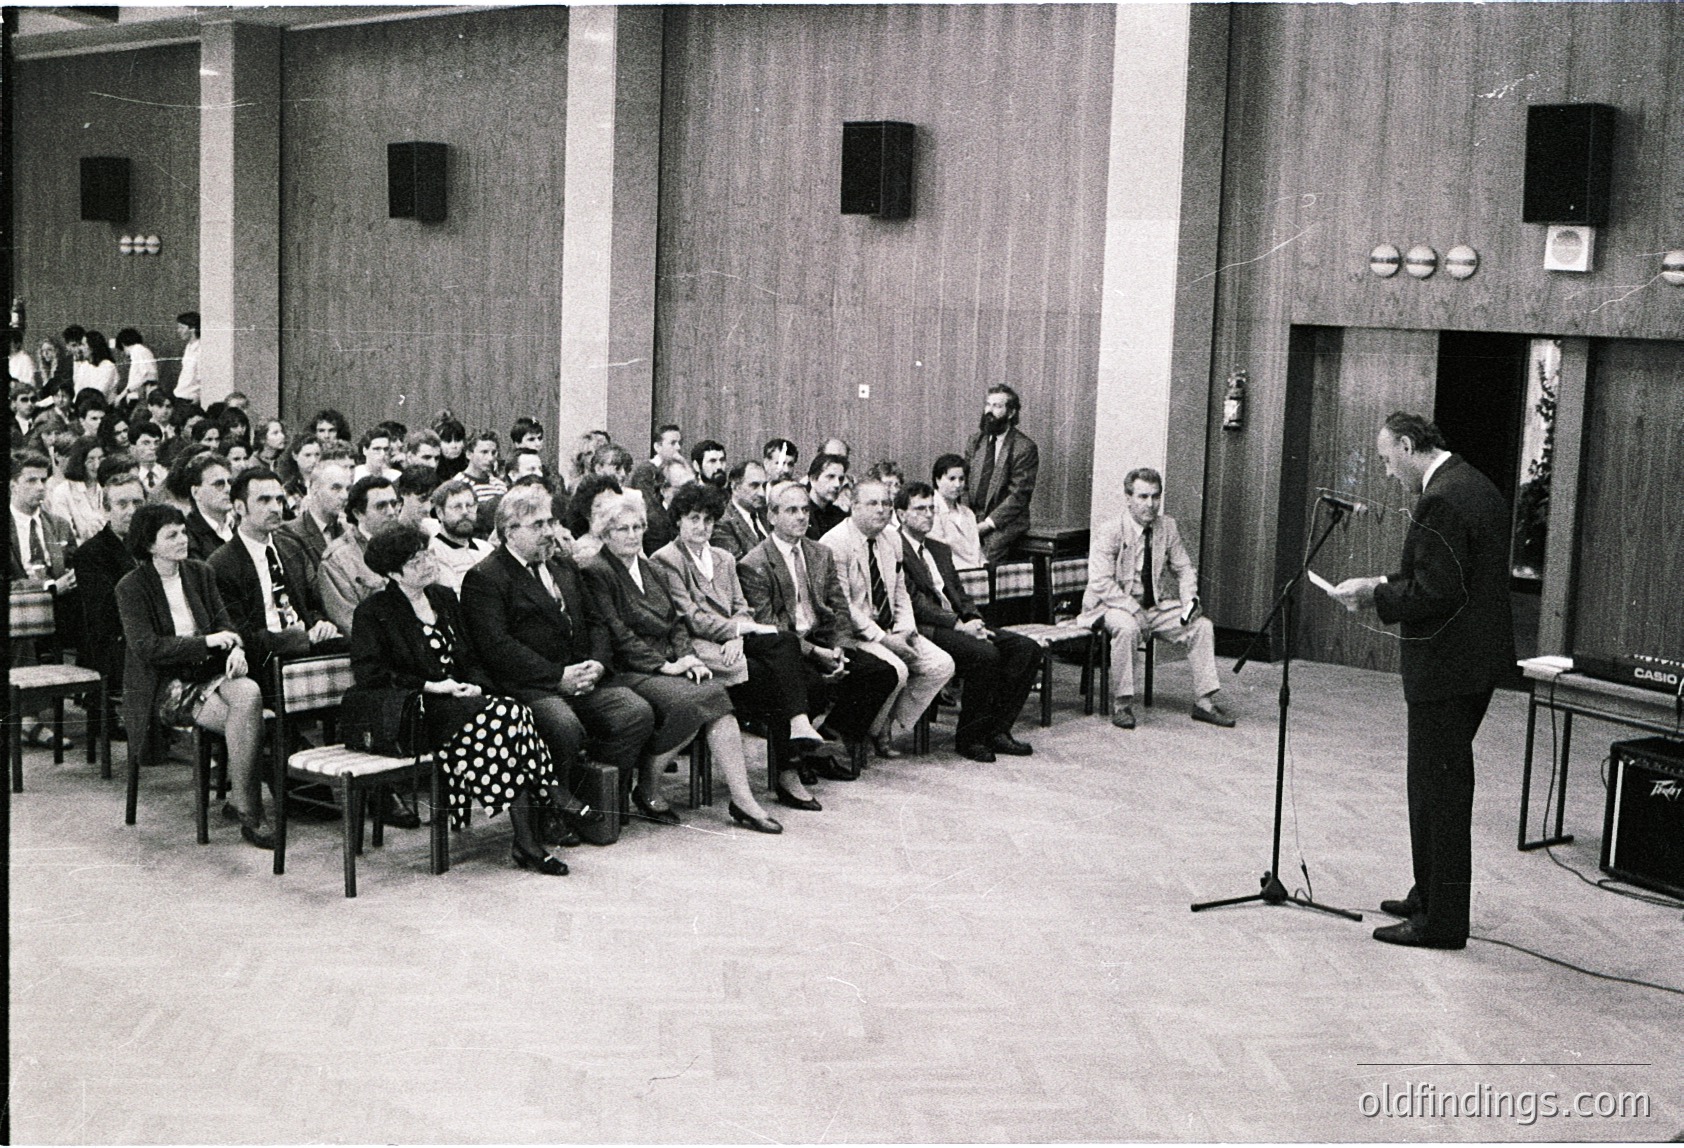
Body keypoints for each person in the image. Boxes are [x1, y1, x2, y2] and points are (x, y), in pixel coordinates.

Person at [1329, 412, 1516, 951]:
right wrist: (1383, 580)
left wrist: (1373, 595)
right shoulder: (1470, 483)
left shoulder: (1442, 498)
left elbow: (1436, 593)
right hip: (1469, 664)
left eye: (1388, 461)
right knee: (1431, 785)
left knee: (1442, 792)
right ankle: (1427, 893)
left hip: (1448, 667)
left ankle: (1442, 922)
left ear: (1409, 446)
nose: (1388, 474)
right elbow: (1446, 575)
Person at [351, 524, 575, 875]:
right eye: (415, 561)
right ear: (393, 573)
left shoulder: (442, 597)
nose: (427, 562)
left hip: (462, 706)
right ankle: (546, 795)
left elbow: (469, 656)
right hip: (417, 711)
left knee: (507, 712)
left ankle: (528, 839)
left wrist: (475, 686)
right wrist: (431, 686)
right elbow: (371, 675)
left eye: (427, 553)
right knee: (505, 715)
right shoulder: (374, 611)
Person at [582, 491, 784, 833]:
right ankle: (649, 783)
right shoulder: (596, 570)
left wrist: (688, 656)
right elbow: (617, 633)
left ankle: (742, 799)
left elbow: (675, 622)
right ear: (604, 534)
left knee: (713, 696)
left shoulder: (649, 568)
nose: (632, 535)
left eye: (637, 527)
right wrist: (665, 666)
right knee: (703, 698)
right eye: (622, 529)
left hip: (667, 662)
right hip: (627, 669)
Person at [459, 484, 654, 831]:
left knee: (635, 712)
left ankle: (593, 797)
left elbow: (595, 622)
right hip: (530, 686)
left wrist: (597, 663)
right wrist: (557, 676)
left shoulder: (562, 566)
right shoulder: (485, 577)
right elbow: (497, 647)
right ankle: (549, 812)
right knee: (562, 725)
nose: (549, 531)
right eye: (537, 525)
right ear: (509, 532)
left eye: (550, 522)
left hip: (582, 677)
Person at [653, 484, 829, 806]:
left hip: (735, 645)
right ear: (678, 520)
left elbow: (741, 605)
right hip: (700, 649)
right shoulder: (666, 559)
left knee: (794, 661)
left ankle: (793, 741)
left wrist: (738, 632)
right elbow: (689, 616)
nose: (701, 526)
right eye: (693, 518)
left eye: (708, 520)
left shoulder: (723, 557)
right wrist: (734, 630)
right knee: (785, 673)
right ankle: (788, 766)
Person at [116, 503, 271, 847]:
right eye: (171, 535)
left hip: (208, 671)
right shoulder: (131, 587)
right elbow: (147, 648)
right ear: (149, 545)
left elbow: (225, 624)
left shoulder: (200, 572)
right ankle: (250, 809)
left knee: (248, 694)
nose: (182, 539)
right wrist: (206, 643)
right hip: (164, 684)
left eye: (183, 531)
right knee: (243, 714)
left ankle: (242, 802)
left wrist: (236, 650)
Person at [738, 482, 900, 794]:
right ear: (771, 516)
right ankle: (797, 758)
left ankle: (825, 740)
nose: (801, 517)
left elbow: (839, 609)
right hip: (784, 649)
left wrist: (839, 648)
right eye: (792, 510)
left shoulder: (820, 553)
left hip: (823, 640)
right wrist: (816, 653)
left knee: (881, 673)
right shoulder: (754, 564)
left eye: (805, 510)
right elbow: (771, 627)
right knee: (810, 682)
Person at [1077, 466, 1234, 730]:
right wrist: (1133, 609)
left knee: (1201, 626)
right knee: (1127, 629)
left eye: (1155, 496)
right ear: (1128, 499)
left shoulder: (1167, 526)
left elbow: (1184, 568)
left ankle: (1204, 702)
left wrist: (1190, 601)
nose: (1150, 504)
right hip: (1111, 604)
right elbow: (1100, 582)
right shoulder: (1111, 530)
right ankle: (1122, 704)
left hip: (1153, 607)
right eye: (1142, 497)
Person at [897, 482, 1040, 761]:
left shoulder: (939, 548)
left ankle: (997, 730)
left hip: (960, 623)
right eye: (919, 509)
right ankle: (970, 738)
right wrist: (959, 625)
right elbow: (916, 603)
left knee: (1026, 648)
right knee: (985, 655)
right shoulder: (894, 547)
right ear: (901, 514)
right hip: (927, 629)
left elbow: (959, 594)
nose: (927, 515)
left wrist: (974, 620)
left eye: (931, 509)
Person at [820, 479, 955, 758]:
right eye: (872, 503)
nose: (882, 510)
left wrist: (905, 630)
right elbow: (843, 606)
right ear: (853, 506)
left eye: (886, 503)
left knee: (941, 664)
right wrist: (884, 639)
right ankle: (872, 731)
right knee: (898, 669)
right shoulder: (835, 543)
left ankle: (885, 726)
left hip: (892, 627)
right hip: (858, 633)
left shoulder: (892, 538)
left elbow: (899, 590)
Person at [206, 467, 346, 697]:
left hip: (305, 643)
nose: (275, 507)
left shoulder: (290, 546)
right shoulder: (221, 564)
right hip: (263, 659)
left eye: (279, 499)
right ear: (240, 507)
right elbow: (241, 635)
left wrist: (321, 623)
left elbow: (311, 603)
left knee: (358, 650)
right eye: (264, 500)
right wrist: (300, 638)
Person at [72, 473, 144, 734]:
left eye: (138, 503)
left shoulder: (152, 546)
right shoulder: (91, 553)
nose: (132, 511)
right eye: (122, 504)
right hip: (110, 643)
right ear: (106, 509)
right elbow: (105, 615)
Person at [317, 474, 401, 634]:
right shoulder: (338, 560)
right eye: (381, 506)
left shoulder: (410, 546)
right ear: (358, 513)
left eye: (393, 503)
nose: (391, 512)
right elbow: (350, 622)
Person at [965, 383, 1039, 563]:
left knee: (986, 557)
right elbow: (964, 484)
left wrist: (986, 525)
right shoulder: (976, 441)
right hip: (973, 517)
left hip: (1004, 522)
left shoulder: (1024, 448)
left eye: (997, 406)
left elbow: (1019, 496)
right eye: (988, 405)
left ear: (1011, 413)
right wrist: (965, 518)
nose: (989, 411)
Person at [277, 452, 351, 581]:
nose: (345, 496)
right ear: (314, 489)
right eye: (336, 488)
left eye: (347, 489)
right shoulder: (290, 533)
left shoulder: (346, 530)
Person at [427, 477, 494, 591]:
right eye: (457, 507)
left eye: (469, 506)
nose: (465, 512)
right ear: (440, 513)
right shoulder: (432, 554)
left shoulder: (487, 550)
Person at [166, 450, 234, 561]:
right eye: (219, 484)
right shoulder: (187, 537)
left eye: (230, 482)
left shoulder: (241, 526)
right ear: (196, 492)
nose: (228, 489)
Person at [928, 453, 986, 570]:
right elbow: (939, 552)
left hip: (977, 575)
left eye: (961, 479)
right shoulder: (930, 511)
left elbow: (977, 550)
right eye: (952, 479)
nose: (958, 485)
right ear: (938, 480)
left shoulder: (968, 513)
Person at [45, 436, 107, 544]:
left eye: (100, 459)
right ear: (80, 461)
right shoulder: (63, 491)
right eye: (90, 460)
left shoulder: (108, 486)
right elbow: (65, 537)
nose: (97, 465)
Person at [711, 459, 769, 559]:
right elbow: (741, 568)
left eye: (764, 486)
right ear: (735, 487)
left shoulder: (768, 513)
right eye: (754, 485)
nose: (762, 493)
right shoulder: (722, 523)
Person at [804, 452, 849, 539]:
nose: (837, 484)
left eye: (841, 479)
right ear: (813, 479)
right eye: (830, 477)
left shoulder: (841, 516)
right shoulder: (801, 513)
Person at [629, 423, 683, 494]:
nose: (678, 447)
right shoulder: (645, 471)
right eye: (673, 443)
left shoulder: (681, 470)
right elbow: (648, 502)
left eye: (680, 443)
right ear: (657, 447)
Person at [113, 328, 158, 405]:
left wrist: (122, 395)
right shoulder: (142, 351)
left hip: (139, 397)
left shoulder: (137, 350)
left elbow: (145, 377)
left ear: (123, 344)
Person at [128, 421, 169, 500]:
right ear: (132, 448)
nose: (153, 447)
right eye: (146, 443)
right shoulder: (129, 474)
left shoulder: (167, 472)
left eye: (157, 442)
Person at [74, 330, 120, 401]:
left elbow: (100, 392)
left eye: (83, 344)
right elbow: (77, 389)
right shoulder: (84, 365)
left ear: (92, 347)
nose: (80, 348)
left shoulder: (108, 366)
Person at [463, 431, 506, 504]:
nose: (490, 458)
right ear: (469, 454)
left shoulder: (500, 486)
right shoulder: (458, 484)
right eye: (484, 452)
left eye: (493, 453)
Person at [173, 312, 202, 410]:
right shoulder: (188, 347)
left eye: (181, 327)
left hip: (191, 399)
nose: (178, 331)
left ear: (192, 328)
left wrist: (199, 396)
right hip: (180, 395)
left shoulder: (201, 348)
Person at [433, 413, 468, 481]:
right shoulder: (432, 467)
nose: (454, 446)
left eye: (458, 440)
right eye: (448, 441)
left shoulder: (470, 467)